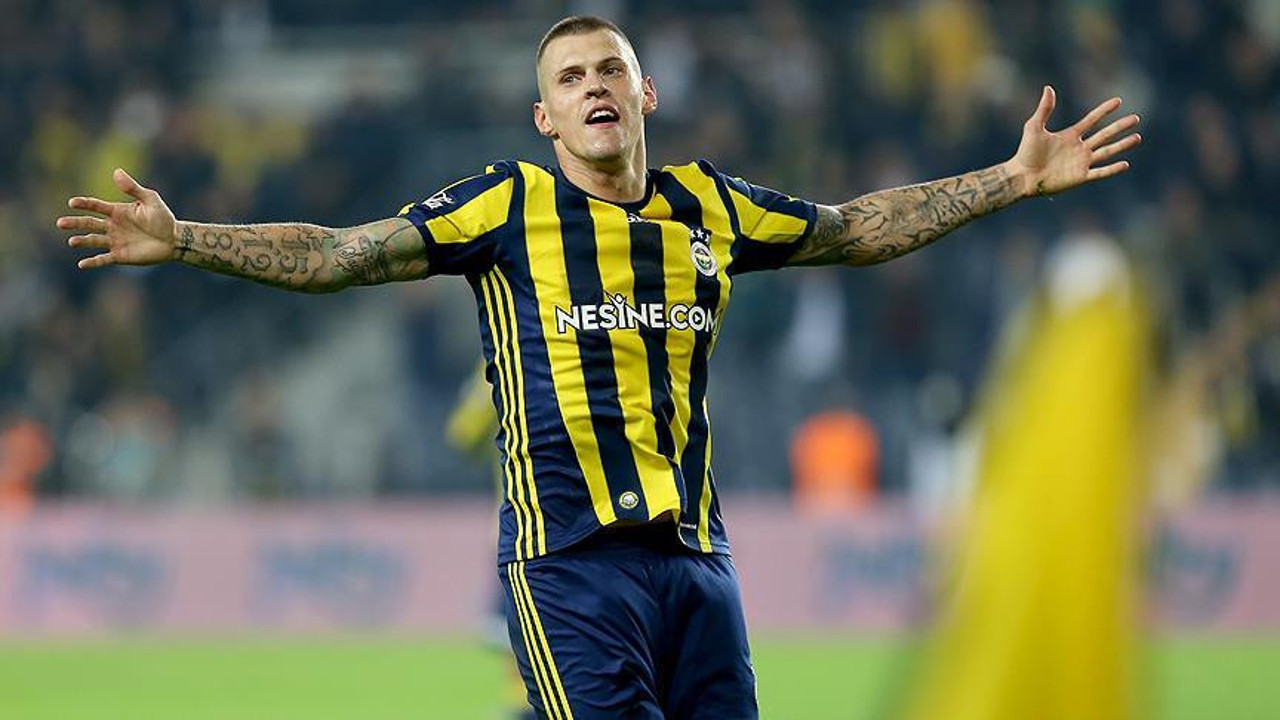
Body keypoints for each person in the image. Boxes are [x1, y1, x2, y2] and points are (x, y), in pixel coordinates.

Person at [56, 15, 1141, 719]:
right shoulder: (506, 204)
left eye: (609, 68)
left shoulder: (709, 205)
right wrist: (186, 238)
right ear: (545, 116)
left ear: (645, 91)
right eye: (569, 78)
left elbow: (855, 228)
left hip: (699, 563)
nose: (593, 87)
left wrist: (1009, 179)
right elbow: (341, 255)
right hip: (570, 565)